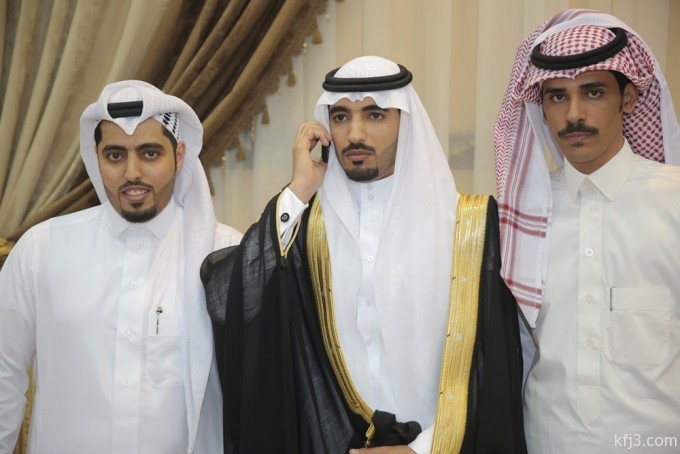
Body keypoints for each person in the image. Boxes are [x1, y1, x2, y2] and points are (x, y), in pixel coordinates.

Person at [201, 55, 527, 453]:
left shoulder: (470, 227)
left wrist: (421, 449)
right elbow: (235, 298)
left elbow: (492, 363)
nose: (354, 134)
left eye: (374, 115)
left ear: (406, 124)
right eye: (340, 117)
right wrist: (298, 191)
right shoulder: (307, 229)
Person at [0, 80, 242, 453]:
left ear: (179, 156)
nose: (132, 172)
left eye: (150, 153)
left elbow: (257, 385)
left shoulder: (225, 253)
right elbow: (4, 374)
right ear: (95, 157)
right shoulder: (41, 249)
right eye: (115, 155)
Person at [494, 9, 680, 453]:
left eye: (593, 92)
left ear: (629, 99)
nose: (573, 114)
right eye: (557, 97)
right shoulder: (520, 215)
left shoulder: (673, 200)